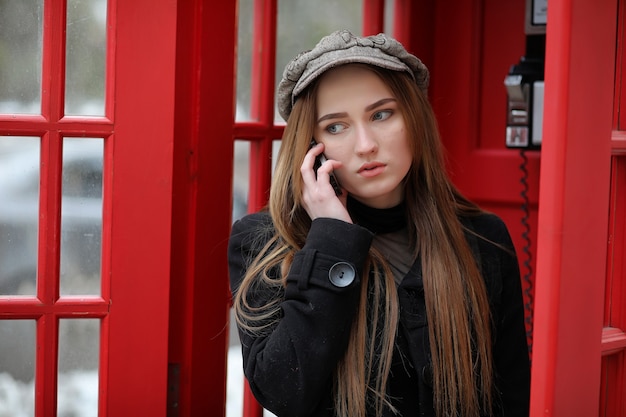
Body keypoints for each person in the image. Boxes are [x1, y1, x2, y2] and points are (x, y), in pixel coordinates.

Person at [228, 29, 530, 417]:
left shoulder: (482, 238)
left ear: (414, 120)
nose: (366, 144)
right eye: (336, 126)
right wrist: (332, 241)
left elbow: (511, 395)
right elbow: (284, 391)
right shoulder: (266, 241)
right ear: (310, 146)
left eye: (381, 114)